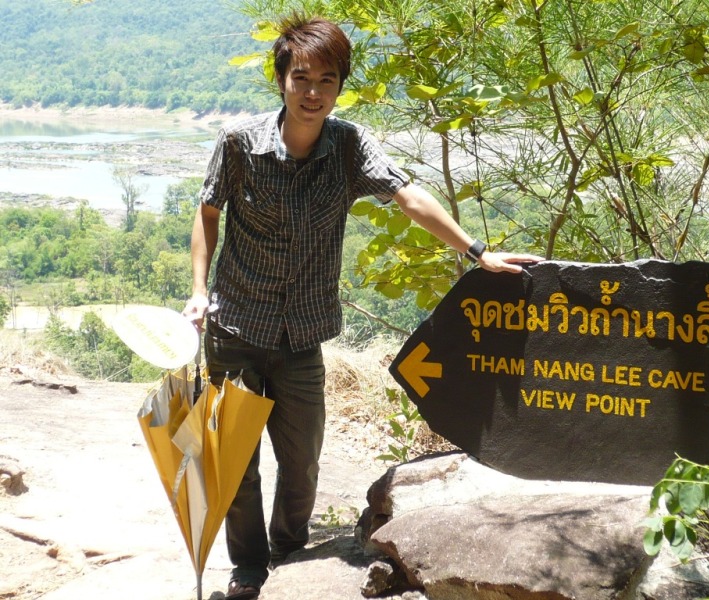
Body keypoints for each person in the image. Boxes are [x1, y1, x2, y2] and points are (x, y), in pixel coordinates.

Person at [182, 13, 541, 600]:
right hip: (236, 326)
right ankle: (248, 568)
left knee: (302, 464)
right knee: (237, 463)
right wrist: (199, 290)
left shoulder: (349, 146)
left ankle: (288, 554)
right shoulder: (239, 142)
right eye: (301, 78)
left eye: (326, 80)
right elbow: (208, 212)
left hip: (302, 334)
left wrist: (476, 251)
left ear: (339, 86)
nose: (313, 92)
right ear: (281, 79)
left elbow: (408, 195)